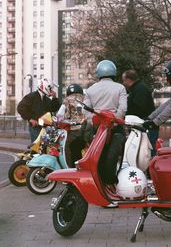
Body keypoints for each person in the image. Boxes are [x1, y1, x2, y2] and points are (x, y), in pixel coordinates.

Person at [84, 60, 127, 188]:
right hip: (115, 126)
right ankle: (111, 182)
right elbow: (123, 108)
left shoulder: (91, 89)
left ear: (99, 73)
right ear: (113, 72)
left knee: (99, 154)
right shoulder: (120, 88)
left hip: (97, 127)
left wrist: (93, 121)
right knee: (114, 155)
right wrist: (115, 120)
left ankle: (98, 181)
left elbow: (85, 110)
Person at [122, 69, 158, 157]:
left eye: (123, 80)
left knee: (147, 153)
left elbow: (138, 108)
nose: (123, 83)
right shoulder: (139, 88)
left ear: (128, 80)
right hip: (146, 126)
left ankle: (150, 169)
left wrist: (126, 117)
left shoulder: (139, 90)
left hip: (146, 126)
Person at [17, 78, 60, 143]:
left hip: (45, 127)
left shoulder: (45, 99)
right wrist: (30, 119)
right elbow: (20, 108)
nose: (51, 90)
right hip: (35, 127)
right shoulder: (32, 96)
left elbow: (53, 108)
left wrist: (54, 98)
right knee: (37, 146)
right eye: (50, 88)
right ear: (45, 87)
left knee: (44, 147)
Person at [56, 83, 86, 167]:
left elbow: (60, 115)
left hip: (74, 130)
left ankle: (71, 168)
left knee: (68, 149)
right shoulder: (86, 98)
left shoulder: (68, 100)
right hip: (87, 129)